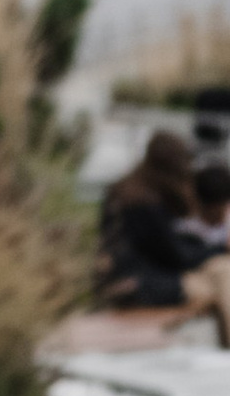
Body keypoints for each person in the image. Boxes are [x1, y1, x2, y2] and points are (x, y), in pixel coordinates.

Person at [96, 128, 230, 339]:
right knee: (220, 279)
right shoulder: (144, 204)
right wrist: (219, 249)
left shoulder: (126, 192)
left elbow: (164, 247)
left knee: (221, 272)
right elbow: (176, 257)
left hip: (132, 277)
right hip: (139, 284)